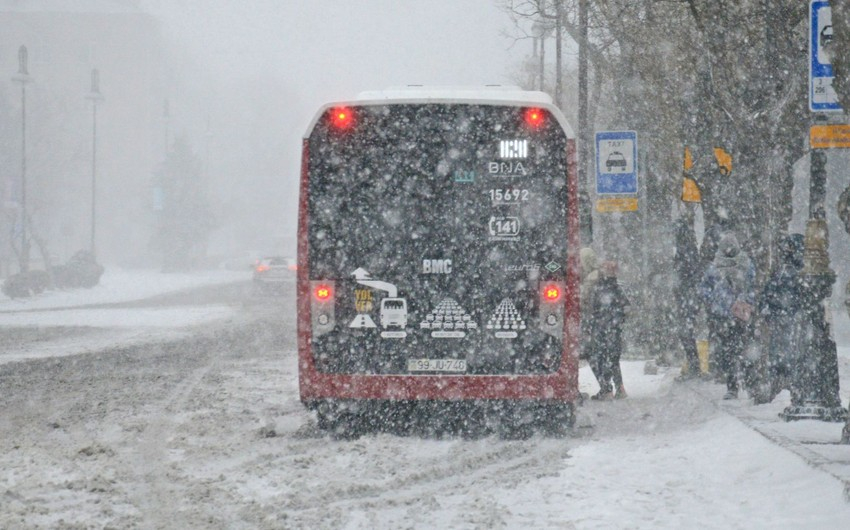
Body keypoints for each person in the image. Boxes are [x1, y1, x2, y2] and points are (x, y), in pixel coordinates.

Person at [699, 232, 756, 399]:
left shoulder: (739, 265)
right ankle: (734, 385)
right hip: (725, 315)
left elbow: (753, 286)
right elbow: (704, 289)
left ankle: (744, 383)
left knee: (740, 351)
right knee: (731, 352)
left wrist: (745, 302)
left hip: (737, 315)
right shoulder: (720, 267)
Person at [756, 234, 805, 404]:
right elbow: (769, 292)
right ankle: (784, 383)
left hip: (786, 318)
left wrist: (768, 308)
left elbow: (769, 292)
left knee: (784, 353)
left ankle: (784, 384)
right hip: (785, 318)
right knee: (783, 353)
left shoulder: (788, 271)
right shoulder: (787, 271)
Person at [588, 260, 631, 400]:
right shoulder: (617, 288)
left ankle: (606, 389)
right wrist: (618, 322)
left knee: (598, 357)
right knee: (613, 359)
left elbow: (593, 308)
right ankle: (620, 388)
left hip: (601, 328)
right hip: (614, 329)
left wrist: (596, 322)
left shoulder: (599, 288)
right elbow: (626, 307)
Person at [673, 218, 702, 380]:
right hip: (688, 296)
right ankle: (693, 364)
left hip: (687, 297)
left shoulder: (685, 251)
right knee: (686, 331)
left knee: (686, 332)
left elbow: (685, 274)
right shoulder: (688, 249)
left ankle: (694, 366)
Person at [579, 247, 600, 361]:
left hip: (591, 313)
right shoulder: (596, 274)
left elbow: (583, 298)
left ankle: (586, 350)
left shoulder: (592, 278)